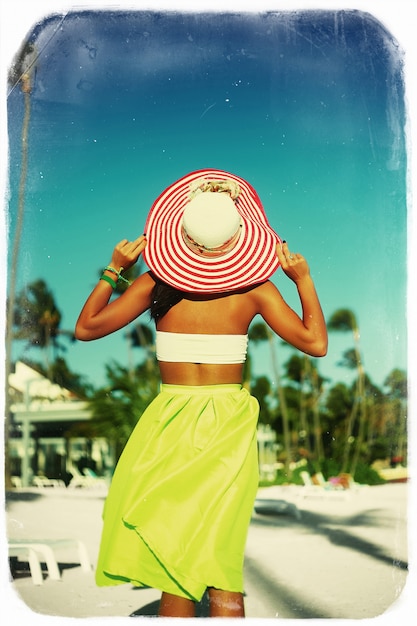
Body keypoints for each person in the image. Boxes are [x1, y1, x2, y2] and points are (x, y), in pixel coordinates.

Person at [75, 168, 327, 618]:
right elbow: (316, 343)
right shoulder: (257, 290)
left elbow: (85, 328)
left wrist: (115, 269)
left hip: (169, 421)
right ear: (239, 239)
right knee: (218, 560)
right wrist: (302, 279)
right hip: (228, 426)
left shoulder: (155, 283)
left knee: (177, 564)